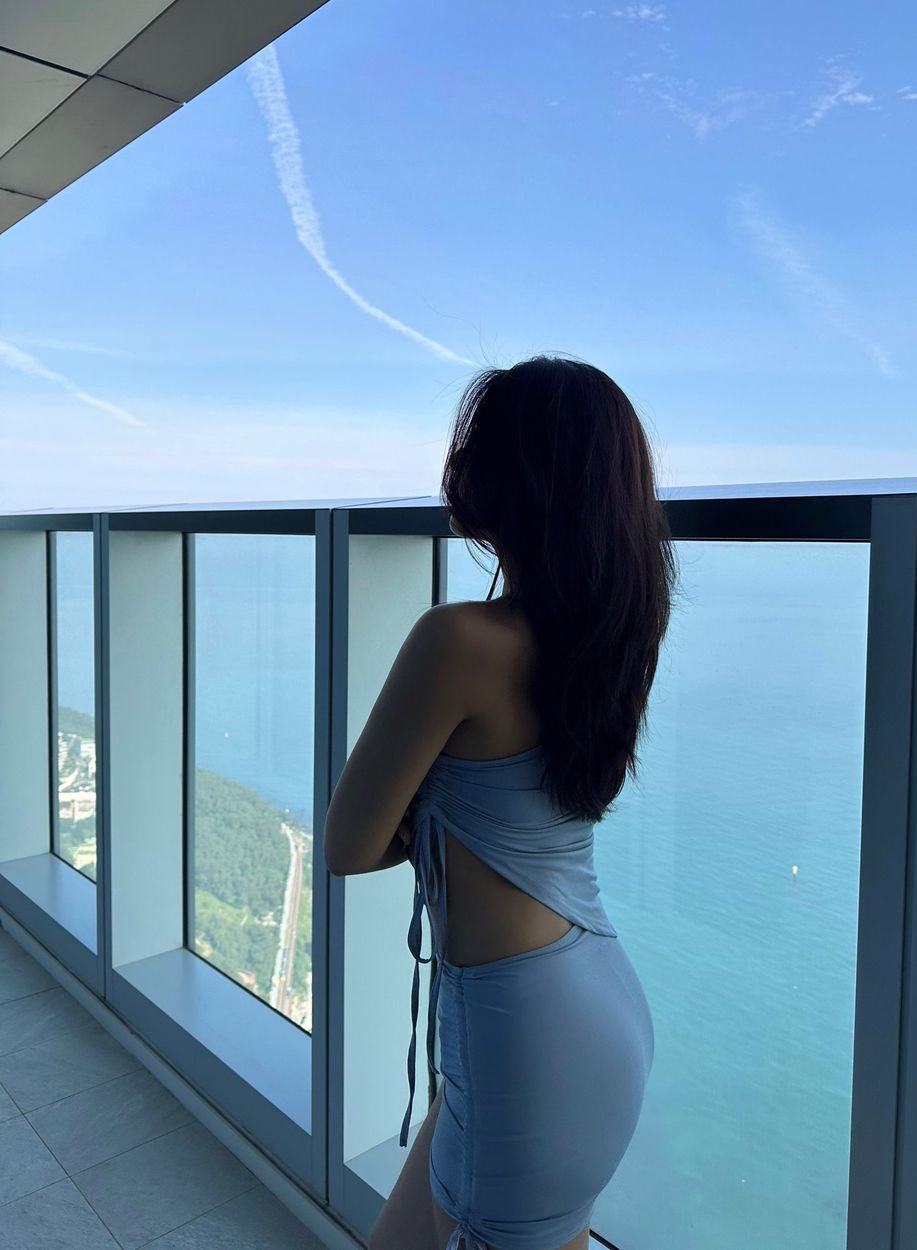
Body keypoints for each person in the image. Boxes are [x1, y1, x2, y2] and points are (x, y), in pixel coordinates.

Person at [328, 354, 679, 1250]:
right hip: (587, 1003)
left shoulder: (457, 641)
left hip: (519, 1033)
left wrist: (425, 810)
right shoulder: (617, 636)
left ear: (504, 479)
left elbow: (348, 846)